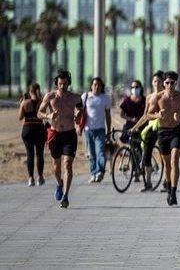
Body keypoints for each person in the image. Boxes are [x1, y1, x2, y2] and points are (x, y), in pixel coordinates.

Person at [145, 71, 180, 205]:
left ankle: (173, 192)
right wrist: (157, 116)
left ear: (176, 83)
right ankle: (168, 188)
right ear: (163, 83)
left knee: (174, 160)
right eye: (167, 82)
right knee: (167, 164)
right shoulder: (158, 98)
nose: (169, 85)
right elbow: (148, 115)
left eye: (172, 83)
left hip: (177, 131)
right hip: (163, 132)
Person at [37, 70, 83, 208]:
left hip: (69, 134)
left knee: (67, 164)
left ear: (69, 82)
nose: (62, 86)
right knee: (56, 168)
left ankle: (65, 196)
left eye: (65, 83)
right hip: (55, 134)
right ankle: (59, 183)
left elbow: (81, 109)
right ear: (56, 84)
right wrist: (48, 116)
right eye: (60, 84)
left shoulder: (75, 97)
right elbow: (39, 113)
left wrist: (79, 116)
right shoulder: (50, 97)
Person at [130, 70, 164, 192]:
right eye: (155, 81)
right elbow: (145, 116)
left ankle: (167, 181)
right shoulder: (149, 97)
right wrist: (134, 128)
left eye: (159, 81)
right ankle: (148, 182)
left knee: (166, 154)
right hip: (150, 127)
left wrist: (156, 116)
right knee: (146, 155)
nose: (157, 83)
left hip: (161, 127)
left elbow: (163, 114)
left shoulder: (164, 96)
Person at [80, 77, 112, 183]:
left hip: (100, 130)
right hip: (88, 129)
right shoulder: (86, 97)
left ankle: (100, 172)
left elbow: (108, 115)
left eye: (99, 85)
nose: (96, 86)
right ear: (91, 86)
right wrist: (78, 126)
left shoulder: (105, 98)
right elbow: (79, 112)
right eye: (94, 84)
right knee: (91, 153)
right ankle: (93, 173)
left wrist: (108, 130)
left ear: (101, 86)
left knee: (100, 152)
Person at [18, 83, 45, 186]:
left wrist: (21, 104)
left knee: (30, 154)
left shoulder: (25, 102)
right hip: (39, 128)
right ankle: (40, 177)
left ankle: (30, 179)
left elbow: (20, 117)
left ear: (30, 91)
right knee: (39, 154)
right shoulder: (42, 102)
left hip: (28, 129)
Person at [119, 80, 145, 144]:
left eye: (136, 87)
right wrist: (130, 119)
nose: (134, 89)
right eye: (132, 87)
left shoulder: (144, 100)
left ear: (140, 88)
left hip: (141, 127)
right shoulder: (127, 100)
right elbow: (121, 114)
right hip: (130, 126)